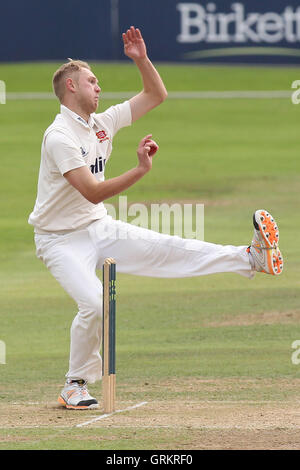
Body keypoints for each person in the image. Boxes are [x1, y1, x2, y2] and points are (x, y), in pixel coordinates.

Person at [28, 26, 283, 410]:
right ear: (70, 87)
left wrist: (141, 59)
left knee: (170, 247)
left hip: (98, 226)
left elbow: (155, 95)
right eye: (91, 81)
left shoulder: (101, 124)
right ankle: (74, 384)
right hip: (59, 239)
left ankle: (251, 257)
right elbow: (92, 190)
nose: (98, 87)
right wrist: (140, 170)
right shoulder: (59, 136)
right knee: (95, 305)